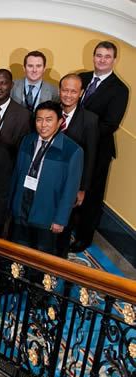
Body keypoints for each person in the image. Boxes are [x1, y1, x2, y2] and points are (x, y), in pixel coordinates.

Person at [71, 41, 129, 253]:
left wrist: (80, 133)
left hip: (97, 150)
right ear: (93, 56)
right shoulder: (82, 78)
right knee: (70, 188)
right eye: (99, 55)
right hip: (72, 146)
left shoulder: (120, 89)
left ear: (114, 60)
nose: (102, 59)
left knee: (91, 196)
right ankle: (67, 227)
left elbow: (110, 124)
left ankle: (83, 238)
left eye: (107, 56)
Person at [9, 101, 83, 255]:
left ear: (60, 122)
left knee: (40, 259)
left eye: (49, 120)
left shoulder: (72, 150)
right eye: (39, 119)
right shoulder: (27, 140)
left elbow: (70, 190)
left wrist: (60, 219)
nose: (43, 125)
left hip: (47, 215)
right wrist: (10, 204)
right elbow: (16, 174)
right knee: (18, 254)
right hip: (21, 209)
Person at [56, 74, 99, 256]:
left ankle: (59, 259)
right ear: (59, 91)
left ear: (81, 93)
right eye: (65, 90)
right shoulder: (50, 111)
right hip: (48, 178)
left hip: (71, 183)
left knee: (65, 224)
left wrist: (82, 189)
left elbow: (90, 157)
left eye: (73, 91)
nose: (68, 95)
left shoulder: (90, 120)